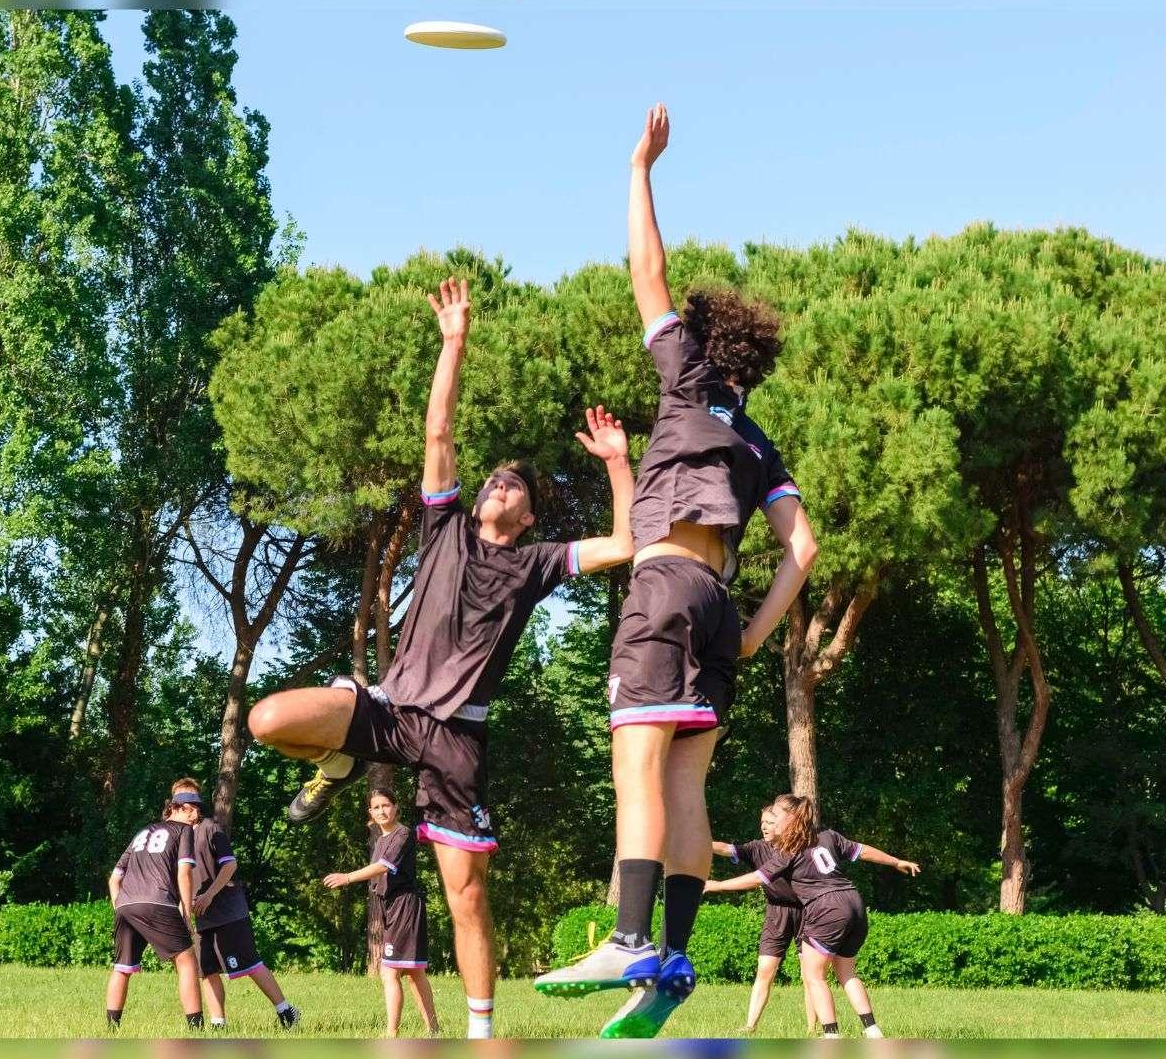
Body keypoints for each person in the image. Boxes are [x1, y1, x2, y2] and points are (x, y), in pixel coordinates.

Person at [249, 277, 637, 1039]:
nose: (498, 485)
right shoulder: (444, 530)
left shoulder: (536, 564)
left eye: (512, 487)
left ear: (525, 515)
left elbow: (623, 544)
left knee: (466, 895)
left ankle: (481, 1033)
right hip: (391, 711)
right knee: (269, 718)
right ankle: (336, 759)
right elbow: (436, 435)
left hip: (457, 736)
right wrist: (451, 343)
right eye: (493, 478)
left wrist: (618, 463)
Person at [534, 103, 818, 1039]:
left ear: (703, 344)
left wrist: (637, 169)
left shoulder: (684, 378)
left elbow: (644, 271)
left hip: (659, 589)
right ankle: (679, 955)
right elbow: (802, 549)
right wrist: (749, 629)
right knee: (686, 784)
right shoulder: (756, 435)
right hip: (716, 604)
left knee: (635, 770)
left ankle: (627, 939)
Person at [705, 794, 921, 1039]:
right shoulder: (829, 835)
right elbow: (862, 851)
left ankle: (831, 1037)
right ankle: (873, 1031)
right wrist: (895, 861)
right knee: (847, 972)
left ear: (791, 818)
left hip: (826, 908)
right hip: (853, 901)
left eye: (776, 815)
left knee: (813, 975)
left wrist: (717, 885)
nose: (771, 820)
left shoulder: (790, 847)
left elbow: (758, 878)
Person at [170, 778, 301, 1030]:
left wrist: (208, 896)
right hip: (200, 917)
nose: (189, 806)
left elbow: (230, 865)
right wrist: (183, 907)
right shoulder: (177, 838)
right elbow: (181, 878)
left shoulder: (211, 828)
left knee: (250, 963)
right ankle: (219, 1024)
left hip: (228, 911)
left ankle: (287, 1012)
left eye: (193, 800)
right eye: (182, 800)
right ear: (174, 805)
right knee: (206, 970)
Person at [322, 790, 441, 1037]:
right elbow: (377, 876)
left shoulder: (403, 834)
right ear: (370, 813)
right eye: (376, 808)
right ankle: (434, 1030)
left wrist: (347, 877)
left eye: (386, 805)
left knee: (390, 972)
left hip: (405, 907)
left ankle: (391, 1034)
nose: (381, 811)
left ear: (395, 807)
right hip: (390, 908)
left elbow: (382, 867)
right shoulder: (380, 841)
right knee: (414, 973)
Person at [710, 805, 817, 1033]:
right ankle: (749, 1026)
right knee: (765, 970)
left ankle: (813, 1029)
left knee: (810, 974)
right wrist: (701, 843)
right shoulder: (756, 848)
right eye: (762, 822)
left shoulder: (800, 846)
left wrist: (717, 886)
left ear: (784, 824)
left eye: (769, 822)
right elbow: (727, 849)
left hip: (807, 912)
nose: (764, 827)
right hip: (776, 913)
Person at [105, 788, 203, 1032]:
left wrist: (120, 907)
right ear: (176, 809)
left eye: (198, 810)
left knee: (122, 967)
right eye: (191, 809)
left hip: (126, 904)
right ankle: (196, 1029)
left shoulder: (143, 832)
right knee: (187, 960)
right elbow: (184, 872)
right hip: (158, 902)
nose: (196, 815)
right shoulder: (183, 831)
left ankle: (111, 1029)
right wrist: (186, 914)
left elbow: (114, 878)